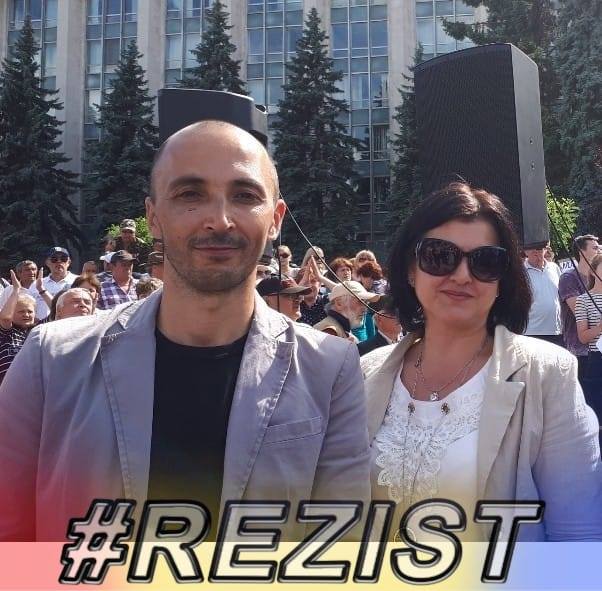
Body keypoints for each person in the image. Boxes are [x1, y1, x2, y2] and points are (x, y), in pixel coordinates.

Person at [0, 119, 370, 541]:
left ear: (275, 219)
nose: (219, 220)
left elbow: (340, 550)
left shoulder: (329, 368)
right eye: (190, 194)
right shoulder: (52, 359)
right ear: (153, 217)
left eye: (245, 196)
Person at [362, 182, 601, 542]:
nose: (461, 275)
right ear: (411, 269)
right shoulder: (367, 372)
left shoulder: (547, 374)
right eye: (440, 256)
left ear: (503, 280)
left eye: (485, 262)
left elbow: (578, 533)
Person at [559, 234, 599, 383]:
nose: (599, 250)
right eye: (595, 248)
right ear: (582, 252)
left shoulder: (597, 279)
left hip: (597, 348)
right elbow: (579, 310)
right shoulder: (568, 278)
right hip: (579, 350)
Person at [575, 253, 602, 423]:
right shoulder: (583, 300)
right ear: (593, 271)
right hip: (597, 359)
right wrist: (599, 328)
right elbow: (582, 337)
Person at [0, 273, 37, 385]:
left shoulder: (39, 331)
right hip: (8, 386)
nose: (26, 315)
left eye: (30, 311)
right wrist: (16, 290)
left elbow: (57, 314)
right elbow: (5, 318)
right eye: (21, 312)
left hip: (35, 386)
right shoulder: (7, 332)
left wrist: (42, 291)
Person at [523, 243, 563, 346]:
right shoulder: (521, 272)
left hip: (556, 331)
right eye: (532, 250)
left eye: (539, 249)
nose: (537, 253)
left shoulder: (554, 268)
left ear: (545, 249)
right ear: (526, 252)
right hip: (531, 332)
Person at [313, 281, 379, 339]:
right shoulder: (330, 331)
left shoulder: (339, 327)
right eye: (360, 301)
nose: (365, 309)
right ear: (339, 303)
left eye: (366, 302)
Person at [35, 247, 78, 319]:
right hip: (42, 325)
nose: (59, 262)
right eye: (54, 259)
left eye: (63, 259)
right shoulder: (35, 285)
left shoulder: (78, 281)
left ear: (69, 262)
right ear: (47, 263)